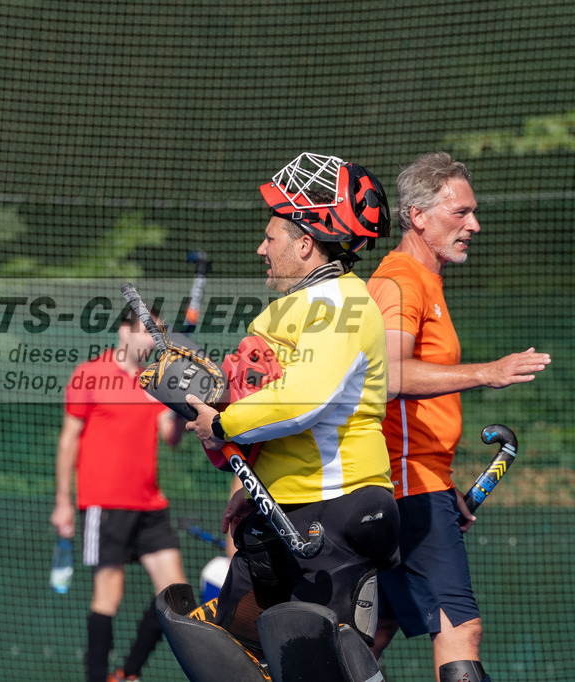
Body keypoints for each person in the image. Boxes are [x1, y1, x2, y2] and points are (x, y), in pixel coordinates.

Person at [170, 153, 401, 680]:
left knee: (325, 668)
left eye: (271, 236)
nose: (260, 248)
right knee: (225, 649)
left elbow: (305, 399)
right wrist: (249, 492)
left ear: (305, 243)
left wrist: (223, 424)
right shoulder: (290, 308)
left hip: (337, 506)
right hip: (285, 507)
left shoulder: (343, 300)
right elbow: (276, 403)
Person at [366, 152, 550, 682]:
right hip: (405, 487)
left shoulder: (424, 280)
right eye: (460, 212)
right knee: (460, 630)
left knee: (372, 633)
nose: (474, 224)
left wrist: (442, 488)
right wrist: (489, 372)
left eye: (473, 212)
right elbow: (392, 376)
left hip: (420, 484)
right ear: (417, 215)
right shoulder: (398, 282)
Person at [51, 306, 186, 682]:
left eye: (157, 334)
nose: (152, 341)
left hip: (150, 505)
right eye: (147, 332)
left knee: (177, 594)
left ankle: (128, 673)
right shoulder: (89, 374)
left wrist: (179, 408)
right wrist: (63, 502)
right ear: (124, 332)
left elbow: (170, 438)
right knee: (109, 596)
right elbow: (68, 440)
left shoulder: (154, 382)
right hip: (104, 503)